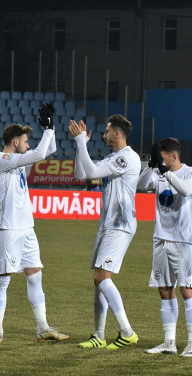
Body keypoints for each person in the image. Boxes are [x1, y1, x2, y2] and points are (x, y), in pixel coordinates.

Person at [0, 104, 68, 345]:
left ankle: (42, 327)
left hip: (26, 229)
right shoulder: (1, 160)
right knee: (3, 279)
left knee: (35, 276)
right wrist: (49, 128)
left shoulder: (19, 161)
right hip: (6, 229)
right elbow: (40, 153)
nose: (28, 145)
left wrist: (50, 127)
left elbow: (47, 149)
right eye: (25, 141)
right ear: (14, 142)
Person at [70, 114, 141, 350]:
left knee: (102, 278)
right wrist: (82, 145)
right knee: (99, 280)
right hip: (109, 224)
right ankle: (98, 335)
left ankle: (127, 332)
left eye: (107, 131)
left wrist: (81, 142)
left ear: (117, 134)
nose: (104, 135)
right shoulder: (113, 157)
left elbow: (90, 173)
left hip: (120, 224)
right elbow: (82, 174)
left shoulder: (127, 158)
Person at [137, 137, 192, 357]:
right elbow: (141, 185)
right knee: (165, 289)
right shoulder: (158, 173)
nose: (161, 162)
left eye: (163, 158)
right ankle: (169, 342)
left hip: (184, 242)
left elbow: (185, 190)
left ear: (173, 157)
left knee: (187, 290)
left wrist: (164, 171)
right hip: (160, 239)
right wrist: (150, 166)